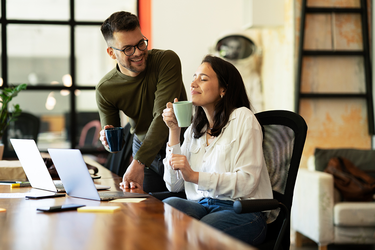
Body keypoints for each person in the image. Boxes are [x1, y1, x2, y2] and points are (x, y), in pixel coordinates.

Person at [161, 55, 272, 245]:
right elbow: (174, 185)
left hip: (242, 210)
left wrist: (195, 176)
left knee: (200, 231)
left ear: (223, 89)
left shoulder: (243, 118)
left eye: (203, 79)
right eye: (194, 77)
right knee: (167, 209)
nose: (193, 83)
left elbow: (247, 182)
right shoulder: (195, 131)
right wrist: (174, 131)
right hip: (202, 206)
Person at [96, 11, 187, 192]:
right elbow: (116, 144)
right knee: (146, 208)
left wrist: (138, 162)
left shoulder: (166, 61)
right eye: (128, 48)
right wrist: (107, 141)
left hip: (182, 145)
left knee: (181, 209)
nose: (138, 52)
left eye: (140, 43)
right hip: (145, 152)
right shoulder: (105, 89)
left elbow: (162, 117)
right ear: (111, 53)